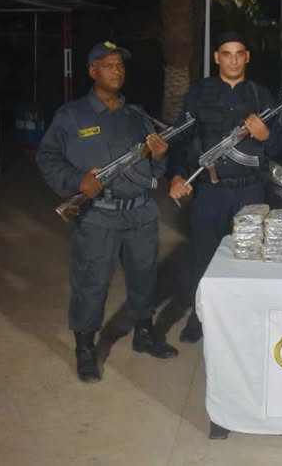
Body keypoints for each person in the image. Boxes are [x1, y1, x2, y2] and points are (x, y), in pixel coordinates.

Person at [36, 41, 178, 383]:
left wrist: (160, 157)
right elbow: (47, 157)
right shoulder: (71, 116)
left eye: (121, 65)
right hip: (99, 216)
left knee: (144, 277)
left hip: (140, 213)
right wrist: (77, 181)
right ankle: (85, 348)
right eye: (109, 64)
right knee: (91, 282)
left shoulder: (138, 116)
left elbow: (154, 172)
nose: (117, 70)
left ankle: (144, 333)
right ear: (92, 71)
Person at [168, 31, 282, 344]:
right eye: (227, 54)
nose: (233, 60)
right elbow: (181, 138)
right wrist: (177, 175)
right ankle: (199, 318)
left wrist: (265, 136)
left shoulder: (261, 96)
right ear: (216, 57)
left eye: (239, 53)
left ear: (247, 57)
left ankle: (244, 319)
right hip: (210, 192)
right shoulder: (198, 94)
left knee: (248, 258)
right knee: (202, 258)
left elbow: (281, 145)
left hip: (250, 193)